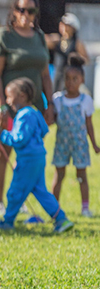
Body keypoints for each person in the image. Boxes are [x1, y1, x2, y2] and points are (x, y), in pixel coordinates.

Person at [0, 0, 54, 217]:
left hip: (31, 108)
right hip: (6, 104)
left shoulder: (39, 36)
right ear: (14, 11)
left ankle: (20, 197)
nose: (26, 15)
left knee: (26, 153)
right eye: (21, 9)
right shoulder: (4, 36)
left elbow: (45, 75)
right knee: (2, 151)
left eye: (31, 10)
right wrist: (1, 105)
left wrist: (49, 104)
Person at [0, 78, 74, 233]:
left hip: (28, 160)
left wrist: (0, 134)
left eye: (9, 96)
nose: (7, 101)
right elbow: (43, 130)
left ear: (21, 96)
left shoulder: (24, 115)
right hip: (38, 158)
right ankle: (61, 219)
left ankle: (8, 222)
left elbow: (19, 140)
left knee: (15, 191)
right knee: (40, 191)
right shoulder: (34, 112)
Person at [50, 54, 99, 216]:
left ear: (82, 79)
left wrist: (94, 144)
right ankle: (54, 207)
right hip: (62, 144)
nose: (70, 82)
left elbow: (89, 125)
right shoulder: (57, 99)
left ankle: (85, 208)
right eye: (67, 78)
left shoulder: (86, 100)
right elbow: (50, 120)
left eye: (75, 78)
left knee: (81, 175)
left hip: (80, 144)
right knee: (59, 175)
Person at [46, 13, 89, 93]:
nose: (64, 28)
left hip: (71, 77)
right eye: (62, 25)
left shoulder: (77, 43)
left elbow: (87, 60)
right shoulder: (56, 40)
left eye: (67, 25)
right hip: (58, 75)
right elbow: (44, 41)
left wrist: (77, 58)